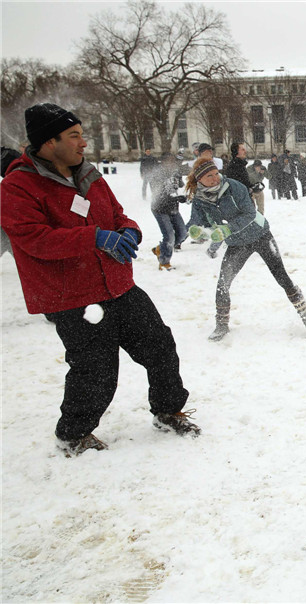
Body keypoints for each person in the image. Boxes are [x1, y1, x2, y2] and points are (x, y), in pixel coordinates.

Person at [0, 103, 199, 455]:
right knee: (96, 370)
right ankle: (74, 434)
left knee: (160, 346)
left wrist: (129, 231)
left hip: (117, 284)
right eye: (74, 136)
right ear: (49, 142)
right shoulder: (19, 186)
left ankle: (168, 410)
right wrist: (94, 237)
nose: (83, 143)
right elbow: (34, 239)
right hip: (72, 295)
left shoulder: (89, 175)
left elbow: (118, 214)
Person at [185, 158, 306, 340]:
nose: (215, 178)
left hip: (260, 235)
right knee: (223, 284)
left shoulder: (233, 187)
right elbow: (196, 221)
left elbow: (249, 213)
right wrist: (196, 231)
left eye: (216, 173)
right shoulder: (199, 199)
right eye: (210, 176)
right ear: (199, 179)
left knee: (282, 277)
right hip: (237, 244)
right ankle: (221, 325)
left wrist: (226, 229)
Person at [149, 152, 189, 270]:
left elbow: (181, 187)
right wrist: (175, 197)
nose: (172, 163)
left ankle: (161, 249)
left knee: (182, 233)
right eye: (169, 161)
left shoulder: (176, 172)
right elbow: (158, 193)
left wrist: (183, 196)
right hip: (160, 209)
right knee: (169, 236)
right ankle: (164, 261)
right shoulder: (158, 174)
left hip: (173, 208)